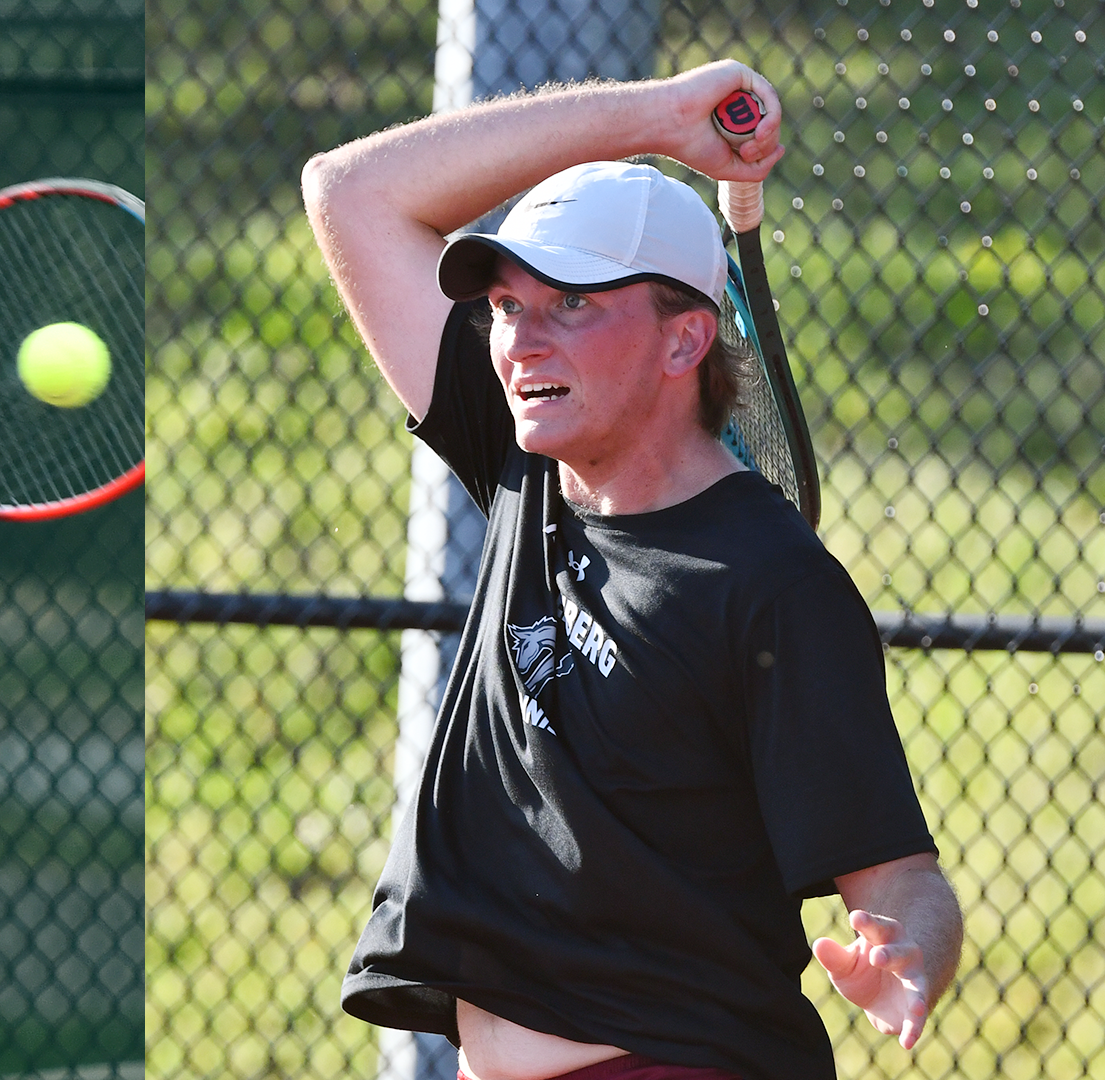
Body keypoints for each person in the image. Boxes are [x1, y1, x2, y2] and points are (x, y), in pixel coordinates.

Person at [301, 60, 962, 1080]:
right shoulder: (525, 460)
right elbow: (350, 194)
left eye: (567, 302)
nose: (520, 340)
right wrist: (658, 118)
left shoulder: (773, 583)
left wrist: (908, 949)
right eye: (508, 306)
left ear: (684, 338)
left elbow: (899, 878)